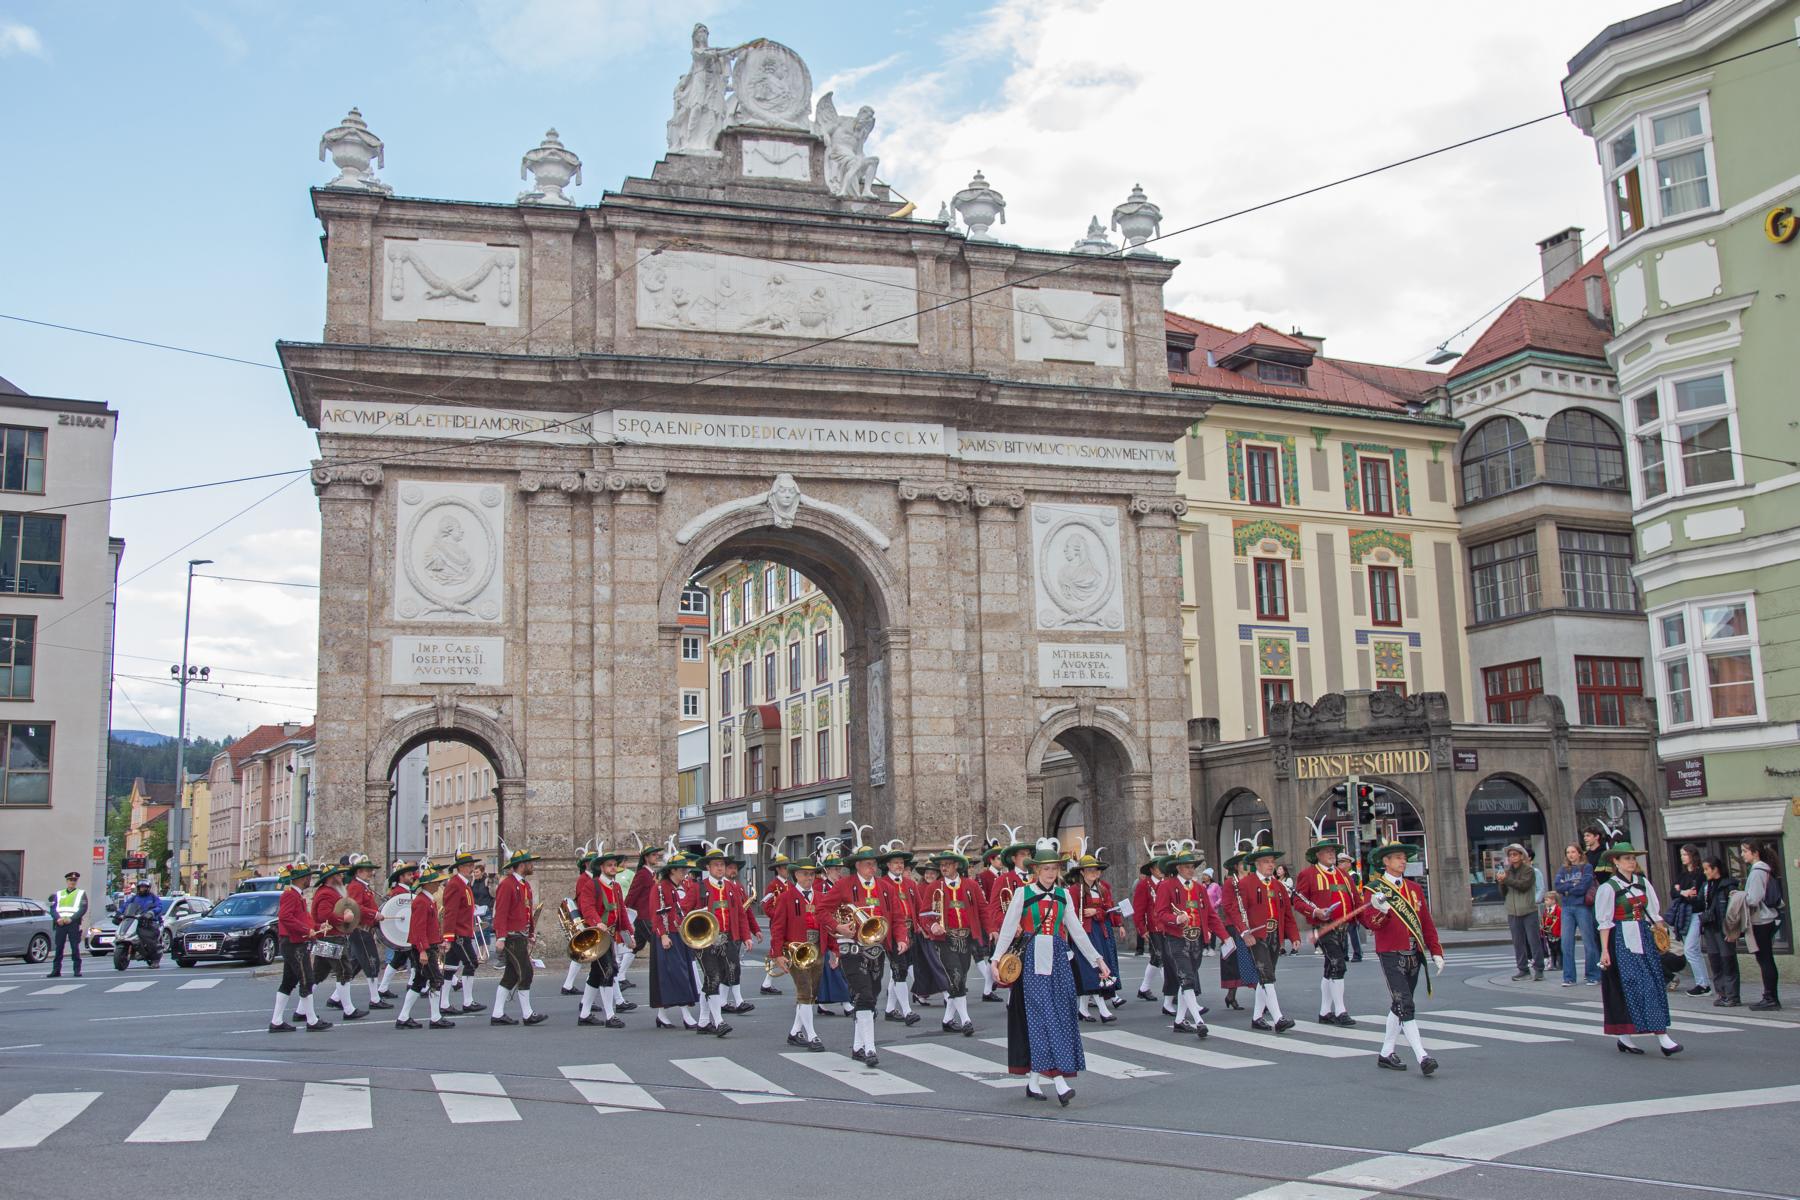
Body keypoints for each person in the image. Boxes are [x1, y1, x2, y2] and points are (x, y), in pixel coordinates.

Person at [988, 839, 1114, 1105]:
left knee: (1058, 1016)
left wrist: (1097, 960)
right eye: (1045, 868)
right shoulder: (1023, 894)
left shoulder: (1063, 895)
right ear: (1036, 870)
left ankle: (1034, 1081)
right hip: (1033, 960)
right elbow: (1009, 928)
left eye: (1054, 868)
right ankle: (1059, 1081)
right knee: (1044, 1018)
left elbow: (1077, 932)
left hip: (1058, 959)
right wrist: (996, 959)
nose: (1049, 873)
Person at [820, 838, 907, 1067]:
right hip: (852, 948)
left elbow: (897, 916)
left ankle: (858, 1046)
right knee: (865, 995)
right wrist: (838, 927)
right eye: (868, 864)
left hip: (877, 949)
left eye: (874, 864)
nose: (872, 868)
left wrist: (902, 938)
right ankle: (870, 1049)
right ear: (857, 865)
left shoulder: (886, 888)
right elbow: (822, 910)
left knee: (871, 994)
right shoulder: (844, 885)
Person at [1360, 843, 1442, 1075]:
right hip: (1391, 953)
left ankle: (1386, 1053)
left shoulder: (1414, 888)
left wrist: (1435, 950)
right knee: (1406, 1004)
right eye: (1397, 858)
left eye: (1404, 858)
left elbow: (1425, 921)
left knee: (1399, 1005)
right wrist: (1381, 910)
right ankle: (1422, 1056)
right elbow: (1370, 923)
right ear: (1385, 862)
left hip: (1414, 953)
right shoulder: (1374, 889)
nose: (1402, 861)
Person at [1595, 842, 1681, 1056]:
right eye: (1626, 858)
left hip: (1644, 936)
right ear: (1615, 861)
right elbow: (1604, 922)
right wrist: (1605, 951)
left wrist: (1661, 936)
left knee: (1652, 983)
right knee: (1634, 986)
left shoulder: (1643, 883)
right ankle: (1661, 1038)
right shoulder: (1608, 888)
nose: (1631, 862)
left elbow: (1654, 913)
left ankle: (1634, 1036)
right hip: (1621, 940)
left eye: (1633, 858)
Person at [1151, 846, 1230, 1038]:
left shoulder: (1200, 888)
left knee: (1187, 979)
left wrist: (1225, 936)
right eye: (1186, 866)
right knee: (1187, 979)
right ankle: (1199, 1021)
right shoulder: (1167, 886)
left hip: (1196, 940)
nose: (1190, 870)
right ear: (1178, 868)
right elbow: (1159, 913)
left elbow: (1211, 916)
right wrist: (1175, 919)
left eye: (1192, 866)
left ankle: (1179, 1020)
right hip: (1176, 938)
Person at [922, 844, 987, 1035]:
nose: (944, 868)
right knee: (956, 975)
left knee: (959, 978)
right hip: (945, 939)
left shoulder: (971, 885)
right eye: (942, 865)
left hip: (966, 938)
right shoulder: (934, 887)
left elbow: (983, 909)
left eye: (948, 864)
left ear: (956, 866)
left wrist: (992, 930)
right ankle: (966, 1020)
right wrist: (933, 925)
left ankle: (947, 1020)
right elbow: (925, 913)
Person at [1294, 837, 1358, 1025]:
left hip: (1343, 927)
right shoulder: (1308, 874)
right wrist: (1315, 911)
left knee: (1330, 967)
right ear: (1317, 855)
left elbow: (1355, 900)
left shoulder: (1343, 875)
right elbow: (1298, 900)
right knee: (1338, 965)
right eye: (1327, 851)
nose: (1332, 855)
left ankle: (1324, 1012)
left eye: (1333, 851)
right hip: (1324, 928)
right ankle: (1341, 1011)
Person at [691, 847, 754, 1037]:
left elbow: (741, 915)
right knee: (714, 977)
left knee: (729, 972)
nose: (720, 868)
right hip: (705, 940)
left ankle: (703, 1022)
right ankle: (719, 1022)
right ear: (708, 867)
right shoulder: (699, 888)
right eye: (716, 865)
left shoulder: (732, 887)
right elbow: (684, 912)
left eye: (722, 865)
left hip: (727, 939)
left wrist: (746, 936)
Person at [1236, 847, 1301, 1031]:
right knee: (1267, 975)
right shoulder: (1246, 883)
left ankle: (1257, 1017)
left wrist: (1294, 935)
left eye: (1272, 861)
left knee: (1264, 977)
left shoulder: (1279, 886)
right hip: (1256, 936)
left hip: (1274, 935)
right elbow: (1237, 910)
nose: (1271, 865)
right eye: (1266, 861)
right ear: (1257, 864)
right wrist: (1244, 931)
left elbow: (1288, 914)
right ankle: (1278, 1018)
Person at [768, 855, 827, 1050]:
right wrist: (777, 954)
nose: (809, 878)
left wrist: (834, 950)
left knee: (811, 993)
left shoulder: (820, 896)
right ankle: (812, 1035)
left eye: (811, 874)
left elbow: (827, 923)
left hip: (816, 948)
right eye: (805, 874)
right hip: (795, 949)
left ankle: (794, 1032)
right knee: (804, 990)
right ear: (796, 875)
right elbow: (777, 928)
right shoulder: (786, 897)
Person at [490, 845, 548, 1026]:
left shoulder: (524, 884)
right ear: (522, 865)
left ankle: (497, 1013)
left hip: (520, 935)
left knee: (511, 975)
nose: (532, 865)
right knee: (526, 972)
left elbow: (527, 911)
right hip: (511, 936)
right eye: (530, 862)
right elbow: (501, 912)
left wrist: (530, 933)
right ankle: (527, 1014)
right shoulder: (507, 884)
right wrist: (500, 936)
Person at [270, 861, 330, 1033]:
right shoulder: (290, 895)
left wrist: (318, 928)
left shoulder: (297, 895)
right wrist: (307, 930)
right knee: (307, 980)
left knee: (288, 982)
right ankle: (311, 1020)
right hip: (293, 943)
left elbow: (303, 920)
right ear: (302, 878)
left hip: (295, 941)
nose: (310, 879)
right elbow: (286, 918)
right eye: (308, 877)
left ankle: (276, 1021)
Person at [576, 845, 632, 1027]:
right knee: (608, 970)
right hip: (597, 937)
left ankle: (584, 1015)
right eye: (609, 865)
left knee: (596, 974)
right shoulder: (592, 885)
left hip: (611, 936)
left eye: (615, 865)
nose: (613, 868)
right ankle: (610, 1015)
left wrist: (629, 934)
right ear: (602, 867)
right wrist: (596, 921)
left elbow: (621, 912)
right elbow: (587, 906)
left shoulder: (616, 887)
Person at [395, 867, 456, 1030]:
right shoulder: (422, 902)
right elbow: (419, 928)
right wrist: (422, 950)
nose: (438, 885)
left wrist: (439, 940)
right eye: (435, 882)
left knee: (419, 981)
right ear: (428, 884)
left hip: (428, 945)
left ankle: (403, 1017)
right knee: (436, 979)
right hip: (424, 947)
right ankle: (435, 1017)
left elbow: (431, 926)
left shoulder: (427, 900)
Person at [648, 852, 702, 1029]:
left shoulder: (672, 888)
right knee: (679, 975)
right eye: (681, 870)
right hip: (667, 936)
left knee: (671, 977)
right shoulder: (660, 888)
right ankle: (686, 1016)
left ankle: (661, 1016)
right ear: (672, 871)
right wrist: (663, 935)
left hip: (677, 934)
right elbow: (657, 914)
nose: (684, 874)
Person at [1070, 849, 1123, 1023]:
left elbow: (1108, 910)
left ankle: (1083, 1009)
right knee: (1092, 970)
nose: (1094, 873)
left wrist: (1096, 912)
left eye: (1096, 870)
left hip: (1100, 931)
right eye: (1090, 870)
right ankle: (1103, 1009)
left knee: (1097, 968)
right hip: (1085, 933)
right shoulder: (1074, 890)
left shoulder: (1102, 890)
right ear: (1082, 872)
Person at [310, 863, 363, 1019]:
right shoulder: (327, 894)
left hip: (326, 938)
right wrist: (344, 918)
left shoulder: (327, 892)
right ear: (332, 878)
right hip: (332, 937)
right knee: (344, 971)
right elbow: (324, 914)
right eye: (338, 875)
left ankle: (301, 1010)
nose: (341, 878)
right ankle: (348, 1010)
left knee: (318, 975)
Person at [879, 845, 924, 1026]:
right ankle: (907, 1011)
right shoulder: (881, 884)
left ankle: (890, 1009)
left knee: (898, 970)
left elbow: (919, 908)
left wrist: (923, 925)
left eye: (901, 863)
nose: (899, 866)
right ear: (888, 865)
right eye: (895, 863)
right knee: (900, 969)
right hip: (892, 933)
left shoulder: (910, 884)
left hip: (910, 931)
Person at [439, 850, 486, 1016]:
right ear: (459, 868)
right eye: (467, 866)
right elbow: (450, 912)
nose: (471, 868)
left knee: (450, 968)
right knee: (471, 962)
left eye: (472, 865)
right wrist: (448, 936)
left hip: (464, 930)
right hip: (458, 933)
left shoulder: (465, 884)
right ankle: (467, 1001)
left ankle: (444, 1003)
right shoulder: (455, 884)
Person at [340, 854, 390, 1012]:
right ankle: (375, 998)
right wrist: (374, 915)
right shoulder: (356, 886)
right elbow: (355, 907)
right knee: (372, 961)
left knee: (355, 964)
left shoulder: (363, 886)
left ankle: (335, 997)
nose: (371, 873)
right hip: (360, 930)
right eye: (368, 870)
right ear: (359, 871)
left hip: (364, 929)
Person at [1741, 841, 1783, 1010]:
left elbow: (1754, 898)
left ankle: (1770, 997)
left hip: (1762, 920)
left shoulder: (1757, 871)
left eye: (1745, 851)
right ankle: (1771, 996)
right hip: (1766, 919)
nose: (1742, 854)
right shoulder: (1764, 869)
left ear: (1755, 852)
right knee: (1766, 959)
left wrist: (1740, 896)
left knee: (1765, 959)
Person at [1497, 843, 1545, 981]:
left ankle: (1539, 969)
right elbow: (1503, 892)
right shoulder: (1507, 871)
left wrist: (1506, 880)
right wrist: (1501, 883)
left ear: (1521, 855)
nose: (1512, 857)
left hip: (1528, 909)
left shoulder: (1528, 870)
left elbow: (1523, 886)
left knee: (1533, 941)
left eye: (1515, 854)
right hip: (1513, 911)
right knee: (1518, 942)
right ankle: (1523, 969)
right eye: (1510, 855)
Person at [1553, 844, 1599, 987]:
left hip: (1582, 906)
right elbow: (1557, 886)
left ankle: (1592, 975)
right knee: (1566, 943)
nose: (1570, 855)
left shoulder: (1587, 867)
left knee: (1588, 942)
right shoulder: (1563, 869)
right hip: (1566, 907)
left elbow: (1584, 886)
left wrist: (1568, 888)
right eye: (1568, 852)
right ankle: (1568, 977)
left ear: (1579, 853)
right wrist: (1572, 886)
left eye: (1573, 852)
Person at [1698, 855, 1741, 1008]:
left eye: (1707, 869)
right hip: (1710, 927)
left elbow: (1735, 911)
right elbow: (1699, 905)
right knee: (1715, 961)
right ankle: (1722, 994)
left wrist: (1733, 931)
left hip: (1724, 928)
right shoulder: (1705, 886)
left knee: (1728, 961)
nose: (1705, 872)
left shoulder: (1728, 886)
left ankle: (1732, 996)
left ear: (1716, 869)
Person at [1217, 851, 1257, 1011]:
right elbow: (1227, 906)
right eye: (1243, 864)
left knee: (1252, 959)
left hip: (1250, 924)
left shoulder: (1251, 881)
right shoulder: (1229, 883)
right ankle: (1234, 994)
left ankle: (1233, 995)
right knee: (1235, 962)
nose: (1246, 867)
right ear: (1236, 866)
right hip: (1234, 926)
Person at [376, 860, 420, 998]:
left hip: (407, 931)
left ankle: (385, 987)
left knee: (401, 960)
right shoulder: (398, 892)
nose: (412, 876)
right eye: (408, 875)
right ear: (401, 877)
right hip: (403, 933)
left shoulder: (406, 891)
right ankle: (412, 984)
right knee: (409, 959)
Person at [1672, 844, 1710, 996]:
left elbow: (1696, 895)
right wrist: (1682, 892)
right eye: (1681, 855)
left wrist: (1682, 892)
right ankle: (1703, 983)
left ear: (1692, 856)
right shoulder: (1682, 874)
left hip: (1696, 913)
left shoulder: (1699, 874)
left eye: (1685, 855)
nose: (1683, 858)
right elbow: (1673, 892)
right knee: (1694, 950)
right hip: (1684, 913)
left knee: (1690, 950)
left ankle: (1703, 984)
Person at [562, 847, 599, 996]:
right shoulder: (584, 879)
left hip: (590, 918)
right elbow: (583, 900)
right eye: (592, 862)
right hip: (586, 919)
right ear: (586, 864)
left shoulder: (592, 878)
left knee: (582, 954)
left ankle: (568, 984)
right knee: (592, 956)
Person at [1131, 849, 1163, 999]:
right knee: (1162, 958)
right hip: (1154, 927)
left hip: (1168, 926)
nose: (1161, 870)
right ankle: (1174, 990)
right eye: (1158, 867)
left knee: (1157, 959)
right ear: (1152, 870)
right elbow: (1138, 909)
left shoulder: (1166, 883)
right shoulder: (1144, 885)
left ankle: (1144, 988)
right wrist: (1142, 929)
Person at [759, 854, 792, 996]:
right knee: (775, 950)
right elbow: (765, 905)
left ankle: (767, 983)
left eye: (788, 868)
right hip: (778, 923)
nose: (787, 871)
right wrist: (778, 916)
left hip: (790, 923)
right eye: (784, 868)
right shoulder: (773, 886)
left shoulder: (790, 885)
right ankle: (766, 984)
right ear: (778, 869)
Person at [47, 870, 87, 978]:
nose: (72, 882)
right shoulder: (59, 894)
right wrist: (57, 919)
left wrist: (72, 919)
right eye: (70, 880)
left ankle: (77, 970)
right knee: (59, 947)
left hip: (73, 924)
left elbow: (83, 909)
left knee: (75, 947)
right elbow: (53, 909)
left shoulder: (80, 893)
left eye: (74, 880)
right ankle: (56, 970)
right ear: (67, 881)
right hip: (60, 924)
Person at [116, 878, 164, 968]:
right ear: (138, 888)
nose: (142, 889)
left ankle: (155, 959)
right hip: (135, 920)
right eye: (141, 887)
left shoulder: (153, 898)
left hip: (149, 922)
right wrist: (118, 913)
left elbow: (159, 907)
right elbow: (125, 905)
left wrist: (151, 913)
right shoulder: (134, 898)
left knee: (149, 939)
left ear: (148, 888)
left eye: (144, 887)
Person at [1541, 890, 1563, 974]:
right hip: (1549, 933)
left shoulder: (1558, 910)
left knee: (1558, 949)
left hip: (1556, 933)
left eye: (1547, 900)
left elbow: (1558, 921)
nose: (1545, 901)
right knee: (1551, 949)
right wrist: (1543, 928)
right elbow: (1544, 919)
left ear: (1553, 900)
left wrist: (1555, 930)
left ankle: (1560, 964)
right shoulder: (1546, 910)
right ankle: (1553, 964)